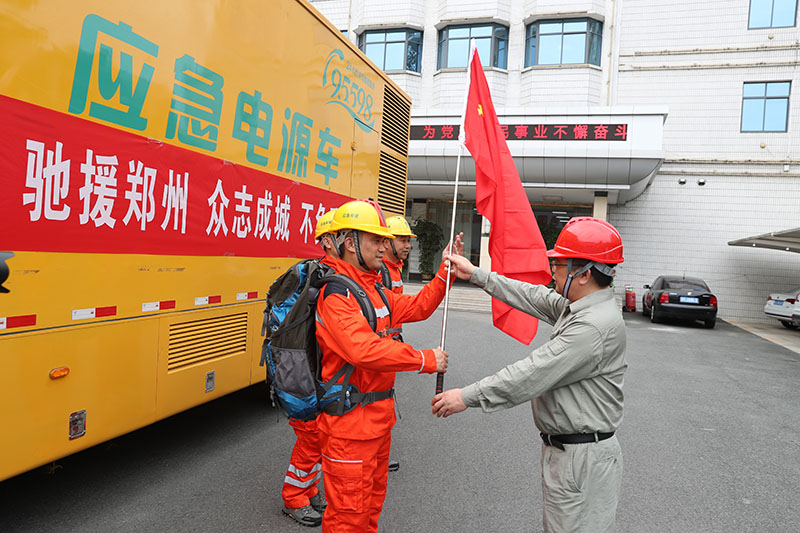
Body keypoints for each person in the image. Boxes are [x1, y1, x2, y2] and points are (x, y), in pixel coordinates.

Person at [432, 217, 627, 533]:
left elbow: (531, 374)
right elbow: (534, 296)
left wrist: (465, 397)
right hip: (573, 454)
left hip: (582, 460)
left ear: (585, 273)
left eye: (560, 264)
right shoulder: (583, 305)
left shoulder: (591, 327)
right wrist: (477, 275)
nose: (554, 271)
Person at [315, 200, 462, 532]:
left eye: (385, 240)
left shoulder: (373, 290)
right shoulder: (336, 295)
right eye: (376, 240)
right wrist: (424, 359)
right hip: (349, 430)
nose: (386, 247)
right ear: (350, 243)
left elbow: (419, 307)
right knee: (347, 519)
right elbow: (362, 349)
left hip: (377, 425)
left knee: (369, 513)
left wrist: (444, 274)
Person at [280, 208, 339, 527]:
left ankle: (308, 488)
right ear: (329, 241)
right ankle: (293, 497)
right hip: (301, 376)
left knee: (317, 437)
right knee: (312, 438)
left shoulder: (327, 276)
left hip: (310, 375)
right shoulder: (319, 279)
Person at [380, 215, 417, 473]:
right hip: (383, 348)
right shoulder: (381, 270)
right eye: (402, 240)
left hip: (390, 346)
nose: (407, 245)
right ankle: (375, 459)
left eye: (408, 240)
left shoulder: (394, 268)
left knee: (385, 407)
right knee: (379, 407)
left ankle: (379, 458)